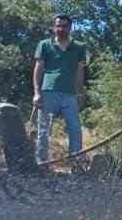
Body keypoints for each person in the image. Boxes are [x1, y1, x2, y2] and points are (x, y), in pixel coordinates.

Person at [32, 14, 88, 163]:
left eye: (64, 26)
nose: (61, 29)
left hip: (70, 94)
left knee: (75, 129)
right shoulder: (44, 44)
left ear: (70, 28)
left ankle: (76, 164)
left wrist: (81, 93)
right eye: (58, 26)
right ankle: (42, 163)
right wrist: (37, 93)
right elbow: (38, 69)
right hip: (48, 92)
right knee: (43, 130)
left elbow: (79, 71)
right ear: (54, 27)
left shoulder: (79, 47)